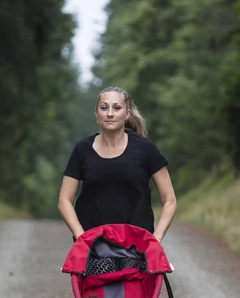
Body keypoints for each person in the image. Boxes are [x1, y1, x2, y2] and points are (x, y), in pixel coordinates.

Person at [58, 86, 177, 242]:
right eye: (104, 108)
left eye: (117, 108)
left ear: (127, 114)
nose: (110, 113)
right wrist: (82, 237)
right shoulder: (82, 150)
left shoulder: (145, 148)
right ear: (96, 113)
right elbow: (64, 201)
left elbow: (170, 200)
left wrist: (156, 238)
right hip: (93, 247)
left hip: (137, 246)